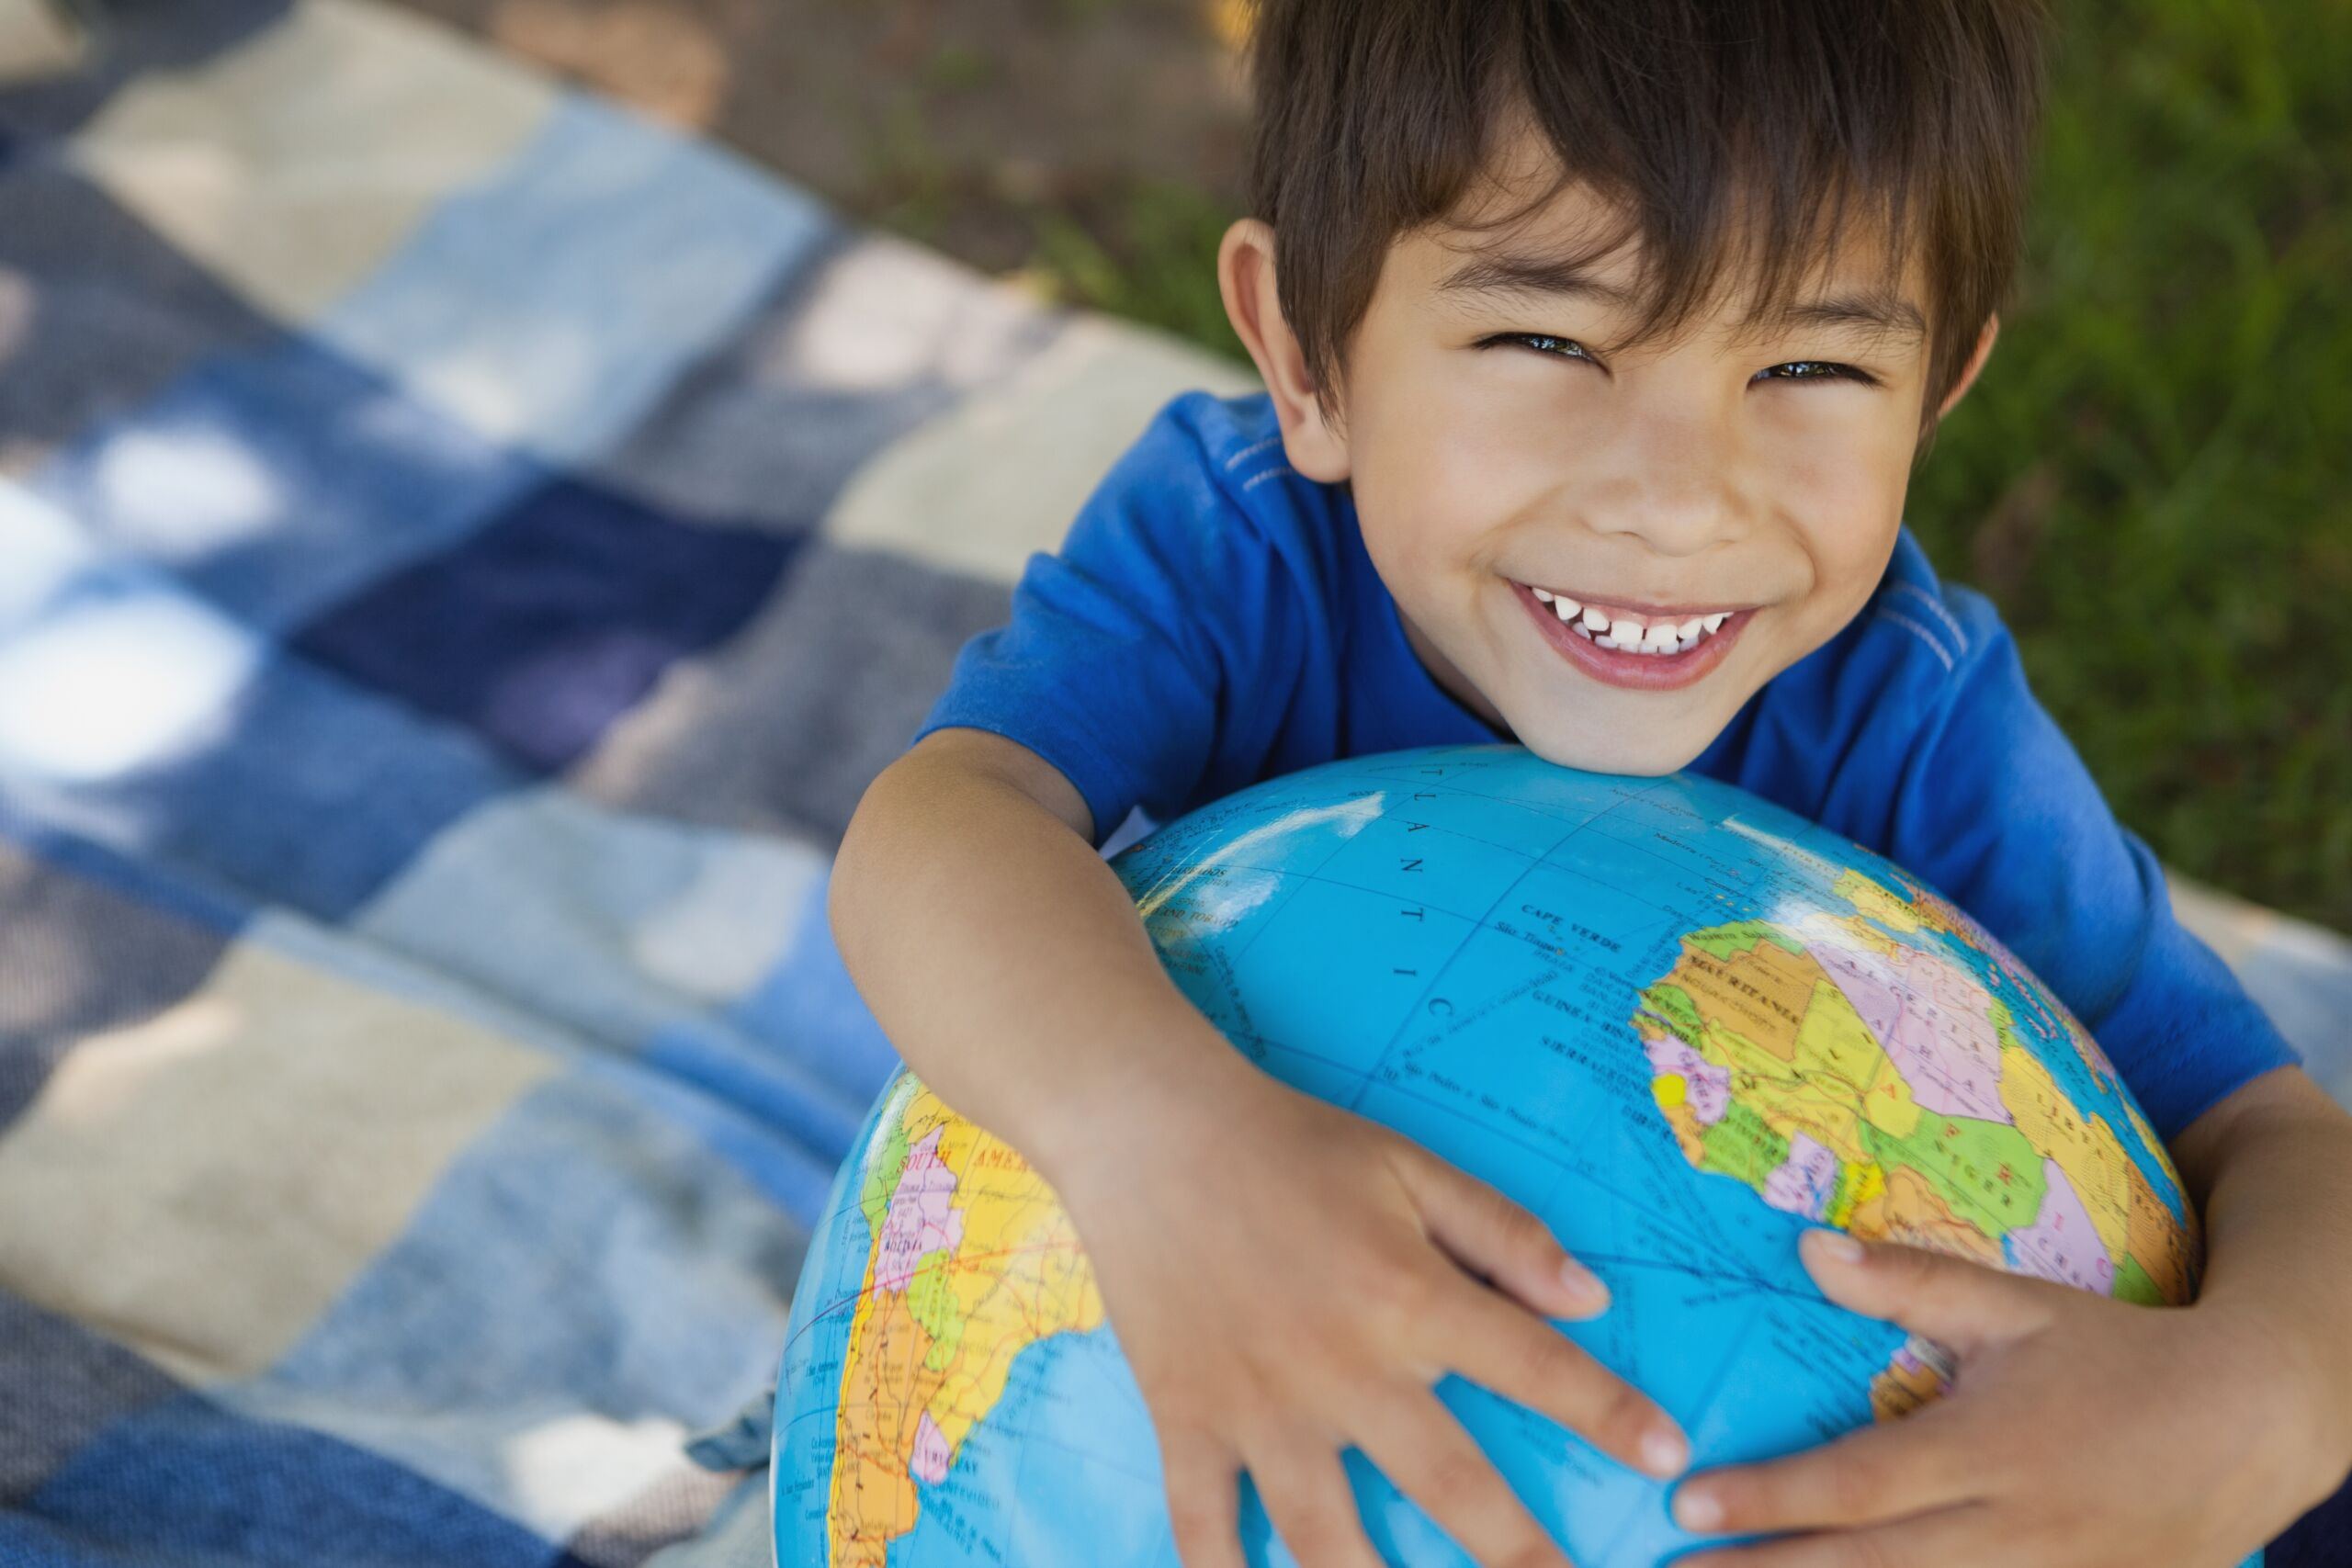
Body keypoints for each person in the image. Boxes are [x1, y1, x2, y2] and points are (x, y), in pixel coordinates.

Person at [824, 2, 2352, 1562]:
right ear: (1304, 353)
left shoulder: (1909, 718)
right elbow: (943, 823)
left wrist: (2268, 1397)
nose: (1679, 502)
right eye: (1550, 342)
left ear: (1940, 389)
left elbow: (2276, 1136)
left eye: (1813, 364)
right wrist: (1155, 1139)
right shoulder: (1242, 552)